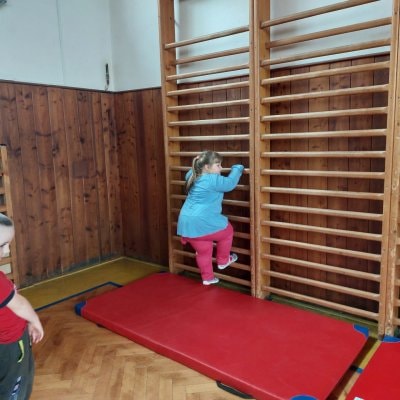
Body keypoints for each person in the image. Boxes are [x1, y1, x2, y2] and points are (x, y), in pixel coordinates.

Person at [177, 150, 245, 285]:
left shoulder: (192, 175)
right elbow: (230, 183)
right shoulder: (213, 179)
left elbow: (192, 171)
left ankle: (207, 278)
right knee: (227, 231)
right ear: (207, 167)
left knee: (203, 252)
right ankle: (223, 260)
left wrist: (200, 161)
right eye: (218, 165)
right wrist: (238, 168)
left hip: (186, 224)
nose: (221, 168)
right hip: (201, 222)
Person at [0, 213, 44, 400]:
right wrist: (34, 320)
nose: (7, 250)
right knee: (14, 385)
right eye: (3, 245)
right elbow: (19, 305)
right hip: (10, 345)